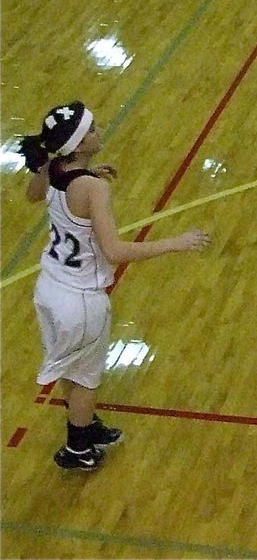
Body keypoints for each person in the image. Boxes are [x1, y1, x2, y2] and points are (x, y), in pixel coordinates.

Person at [20, 102, 211, 471]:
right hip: (79, 300)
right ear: (78, 144)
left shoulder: (56, 168)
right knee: (86, 378)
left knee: (70, 367)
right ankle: (78, 447)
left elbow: (34, 194)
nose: (100, 131)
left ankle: (83, 424)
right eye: (92, 129)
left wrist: (84, 174)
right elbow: (115, 251)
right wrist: (176, 242)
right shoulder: (93, 189)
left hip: (49, 289)